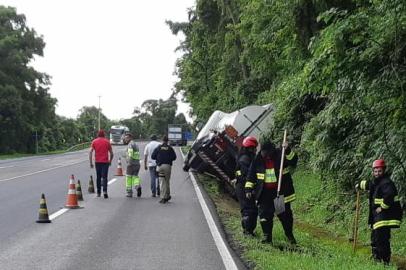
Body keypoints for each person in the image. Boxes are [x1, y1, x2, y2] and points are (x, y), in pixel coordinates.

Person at [245, 140, 297, 244]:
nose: (266, 156)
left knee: (284, 215)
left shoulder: (280, 155)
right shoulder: (258, 159)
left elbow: (293, 161)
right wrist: (248, 189)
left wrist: (287, 150)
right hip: (264, 193)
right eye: (264, 154)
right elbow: (251, 174)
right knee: (264, 215)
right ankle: (267, 237)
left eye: (268, 154)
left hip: (278, 193)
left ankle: (290, 236)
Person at [356, 159, 402, 264]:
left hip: (385, 217)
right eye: (375, 171)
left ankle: (385, 262)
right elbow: (369, 185)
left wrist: (382, 207)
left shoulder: (386, 183)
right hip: (378, 217)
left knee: (382, 240)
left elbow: (389, 196)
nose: (377, 173)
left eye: (379, 171)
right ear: (373, 171)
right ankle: (376, 259)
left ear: (384, 171)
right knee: (375, 238)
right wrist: (359, 185)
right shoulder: (376, 181)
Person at [235, 136, 258, 236]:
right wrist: (250, 188)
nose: (255, 150)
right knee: (248, 210)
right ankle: (247, 232)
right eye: (254, 148)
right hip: (243, 188)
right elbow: (249, 176)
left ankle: (250, 231)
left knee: (252, 210)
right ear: (250, 148)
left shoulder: (246, 158)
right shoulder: (245, 160)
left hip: (245, 187)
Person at [151, 135, 177, 204]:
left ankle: (163, 198)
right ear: (168, 141)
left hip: (160, 166)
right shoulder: (170, 148)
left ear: (162, 140)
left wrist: (158, 158)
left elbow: (153, 156)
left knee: (162, 182)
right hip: (168, 166)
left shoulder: (158, 148)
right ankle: (167, 195)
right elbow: (174, 157)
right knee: (167, 181)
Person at [89, 129, 114, 198]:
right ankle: (105, 191)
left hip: (97, 162)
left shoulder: (94, 141)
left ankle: (99, 193)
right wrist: (110, 161)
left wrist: (91, 162)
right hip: (105, 162)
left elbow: (90, 152)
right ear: (104, 134)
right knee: (105, 177)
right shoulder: (107, 142)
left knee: (98, 177)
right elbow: (112, 153)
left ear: (98, 134)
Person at [124, 133, 141, 198]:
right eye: (125, 138)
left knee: (128, 178)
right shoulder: (135, 144)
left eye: (126, 138)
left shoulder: (130, 144)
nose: (125, 139)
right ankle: (137, 186)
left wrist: (129, 162)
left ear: (130, 138)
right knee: (135, 176)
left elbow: (130, 154)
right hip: (137, 163)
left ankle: (129, 193)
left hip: (131, 164)